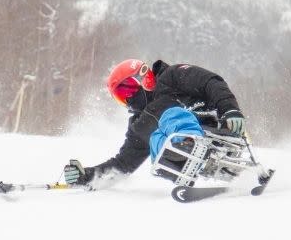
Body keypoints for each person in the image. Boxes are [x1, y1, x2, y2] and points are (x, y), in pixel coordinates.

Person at [63, 59, 246, 189]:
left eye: (126, 92)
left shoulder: (173, 77)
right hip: (181, 153)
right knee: (154, 137)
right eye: (120, 98)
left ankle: (188, 143)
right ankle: (182, 160)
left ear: (142, 80)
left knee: (165, 113)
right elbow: (122, 165)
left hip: (211, 125)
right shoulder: (139, 125)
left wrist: (230, 109)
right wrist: (86, 176)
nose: (127, 100)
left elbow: (210, 82)